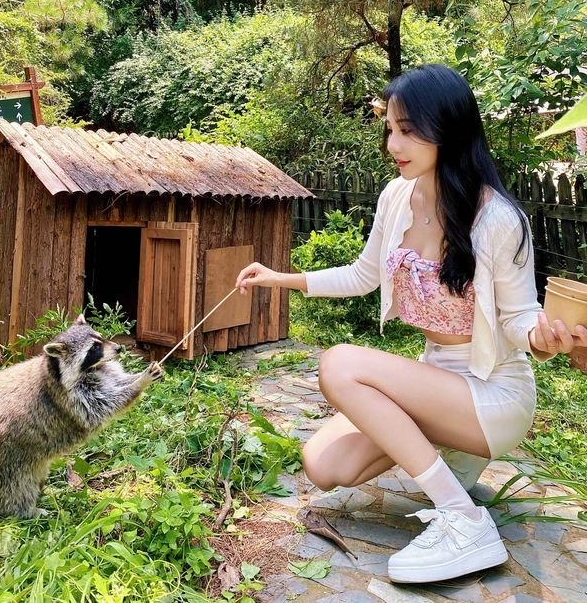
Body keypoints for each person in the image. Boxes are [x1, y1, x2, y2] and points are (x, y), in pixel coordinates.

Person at [235, 63, 587, 584]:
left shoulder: (497, 219)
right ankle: (449, 457)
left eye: (409, 129)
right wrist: (279, 278)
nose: (394, 143)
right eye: (391, 129)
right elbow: (363, 274)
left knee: (339, 364)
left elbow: (518, 319)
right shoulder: (396, 196)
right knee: (324, 466)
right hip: (435, 384)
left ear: (449, 127)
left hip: (494, 395)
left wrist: (543, 335)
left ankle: (464, 519)